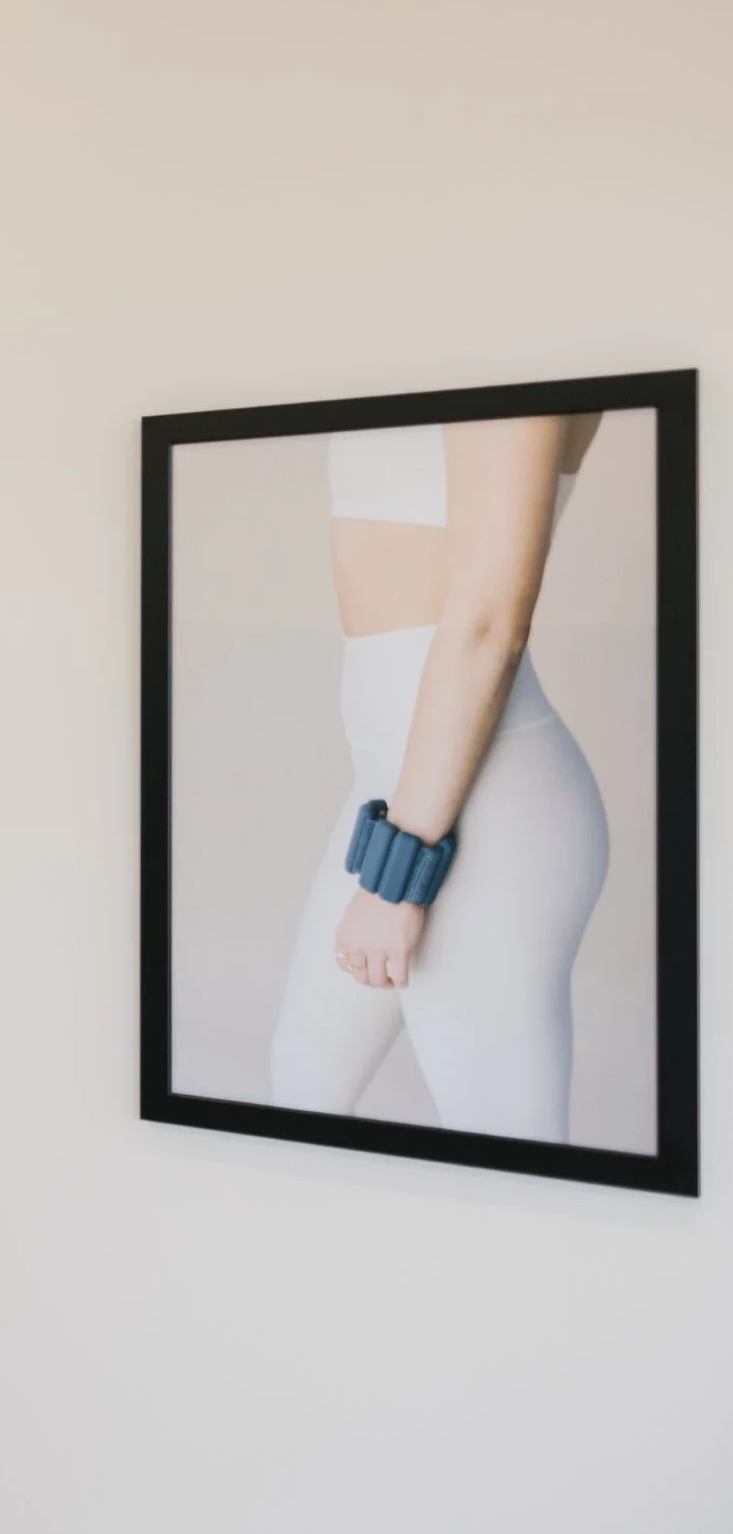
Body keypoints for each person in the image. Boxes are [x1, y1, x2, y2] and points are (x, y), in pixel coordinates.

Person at [269, 414, 608, 1142]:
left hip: (480, 805)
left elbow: (490, 625)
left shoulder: (522, 361)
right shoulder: (444, 348)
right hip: (396, 796)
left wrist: (397, 876)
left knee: (510, 1148)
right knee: (301, 1093)